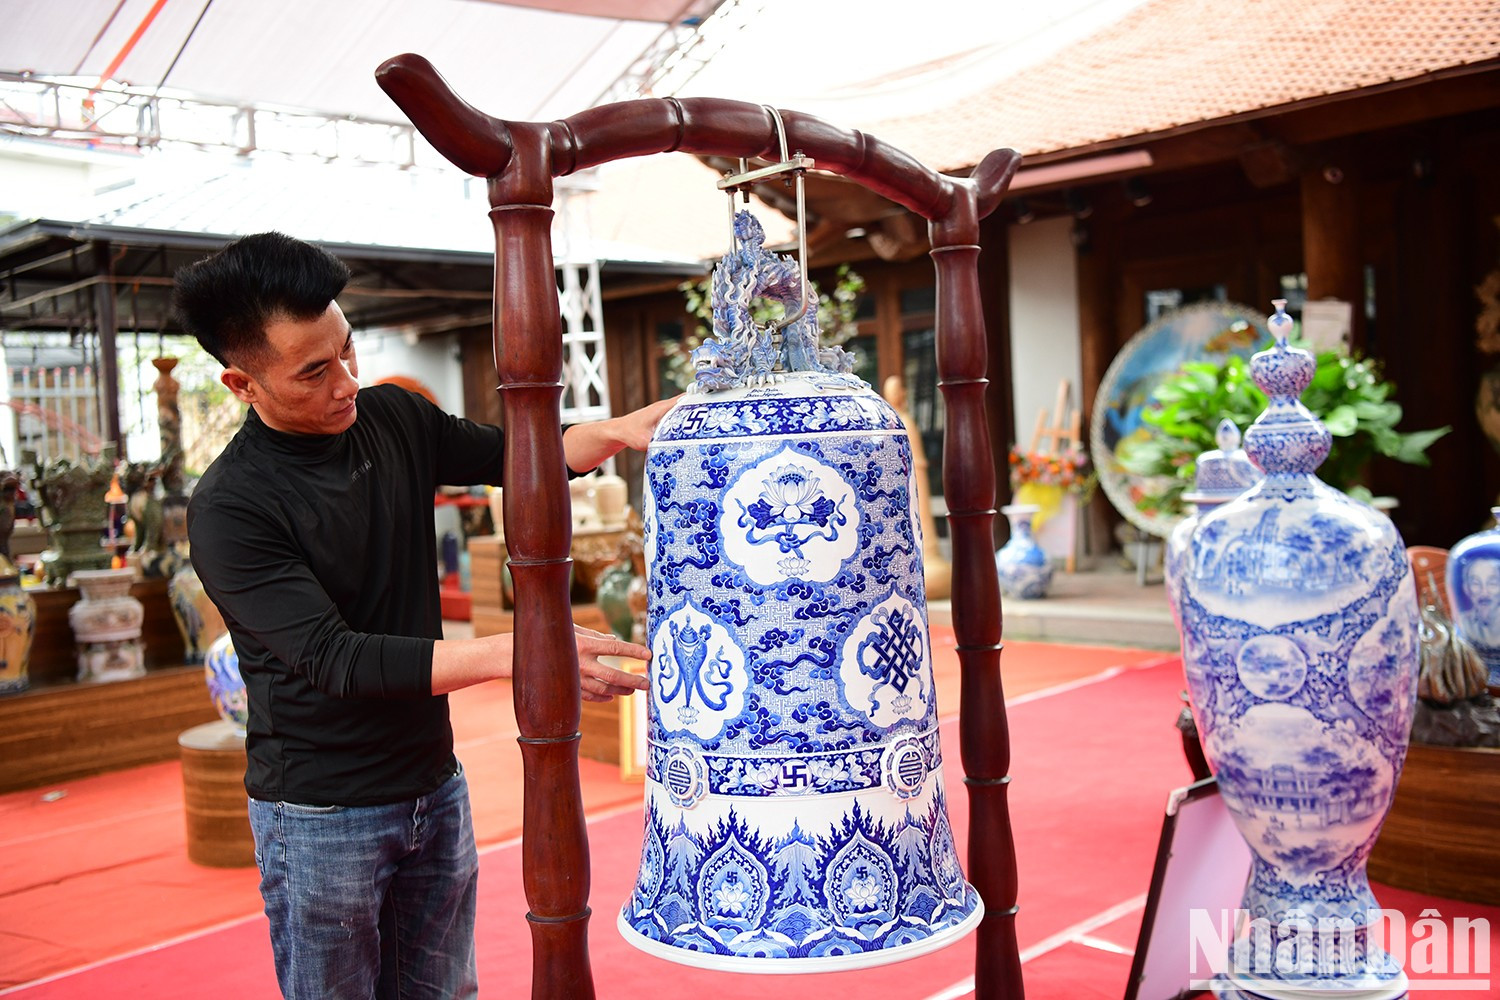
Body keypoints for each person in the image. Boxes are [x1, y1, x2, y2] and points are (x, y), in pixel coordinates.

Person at [174, 232, 673, 1000]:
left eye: (347, 350)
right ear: (242, 384)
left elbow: (518, 455)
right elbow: (337, 659)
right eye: (313, 372)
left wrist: (617, 431)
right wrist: (529, 650)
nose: (346, 382)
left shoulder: (394, 419)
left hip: (433, 786)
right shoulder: (230, 507)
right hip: (319, 814)